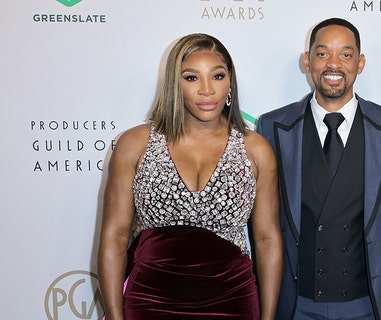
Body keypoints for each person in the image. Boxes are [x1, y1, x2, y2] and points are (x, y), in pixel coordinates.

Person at [97, 33, 282, 320]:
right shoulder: (135, 145)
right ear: (175, 84)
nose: (207, 90)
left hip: (232, 301)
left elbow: (267, 239)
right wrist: (115, 316)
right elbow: (115, 236)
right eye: (192, 78)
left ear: (230, 81)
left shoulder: (255, 149)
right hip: (150, 300)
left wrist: (268, 317)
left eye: (217, 76)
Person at [256, 18, 381, 320]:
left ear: (361, 63)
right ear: (307, 61)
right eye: (322, 53)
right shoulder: (273, 126)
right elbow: (255, 210)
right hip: (295, 304)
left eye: (346, 54)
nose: (334, 64)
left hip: (369, 304)